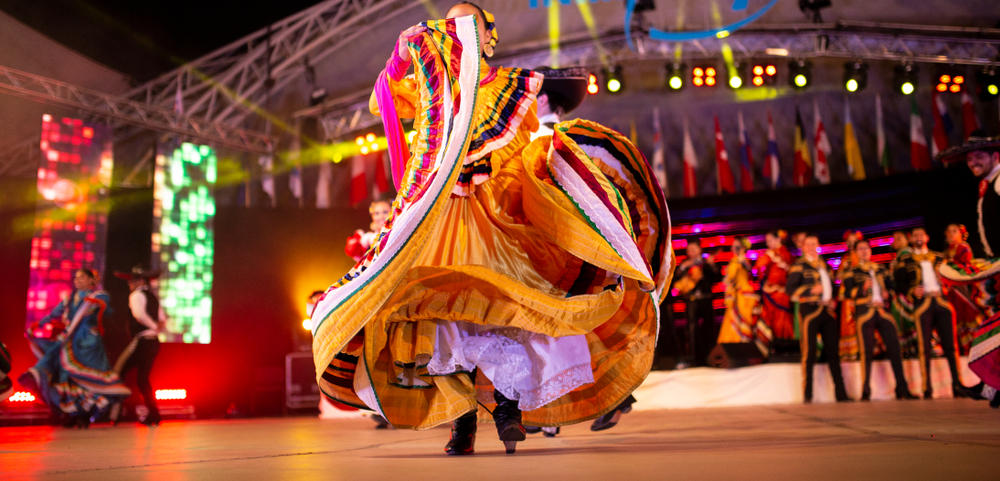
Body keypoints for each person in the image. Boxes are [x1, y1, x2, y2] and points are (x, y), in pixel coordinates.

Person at [309, 2, 671, 456]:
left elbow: (518, 151)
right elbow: (380, 96)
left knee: (506, 313)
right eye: (451, 24)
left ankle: (506, 411)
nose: (459, 32)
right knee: (442, 322)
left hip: (493, 221)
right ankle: (463, 425)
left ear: (488, 35)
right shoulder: (431, 84)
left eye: (470, 25)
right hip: (436, 225)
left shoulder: (514, 85)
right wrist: (401, 54)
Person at [19, 268, 130, 428]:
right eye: (76, 278)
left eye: (82, 278)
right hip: (70, 342)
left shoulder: (98, 296)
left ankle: (85, 416)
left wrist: (96, 308)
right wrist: (38, 324)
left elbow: (106, 309)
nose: (77, 281)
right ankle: (73, 414)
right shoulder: (70, 299)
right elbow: (54, 313)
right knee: (68, 377)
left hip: (88, 345)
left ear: (92, 280)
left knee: (85, 380)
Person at [936, 130, 1000, 407]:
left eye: (979, 157)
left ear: (995, 156)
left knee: (994, 330)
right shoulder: (990, 183)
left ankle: (991, 389)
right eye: (970, 158)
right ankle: (992, 389)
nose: (973, 162)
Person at [894, 227, 978, 399]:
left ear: (927, 237)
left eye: (921, 235)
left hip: (942, 301)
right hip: (923, 303)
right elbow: (899, 283)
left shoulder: (940, 257)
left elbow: (952, 275)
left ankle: (957, 384)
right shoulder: (906, 260)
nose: (919, 237)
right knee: (924, 347)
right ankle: (927, 387)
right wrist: (912, 290)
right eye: (915, 235)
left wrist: (946, 284)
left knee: (950, 345)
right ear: (911, 240)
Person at [842, 239, 918, 401]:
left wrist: (888, 294)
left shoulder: (881, 270)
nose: (864, 251)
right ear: (855, 252)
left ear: (870, 251)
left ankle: (902, 389)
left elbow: (893, 289)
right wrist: (862, 288)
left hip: (884, 312)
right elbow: (847, 293)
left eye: (866, 249)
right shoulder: (852, 271)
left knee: (895, 349)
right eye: (860, 249)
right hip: (865, 312)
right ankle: (866, 391)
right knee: (866, 352)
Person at [786, 234, 850, 403]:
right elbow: (790, 289)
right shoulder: (799, 265)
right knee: (809, 353)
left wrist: (834, 300)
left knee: (833, 353)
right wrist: (810, 291)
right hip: (810, 310)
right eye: (808, 244)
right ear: (803, 247)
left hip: (827, 311)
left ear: (818, 245)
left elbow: (834, 287)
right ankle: (808, 395)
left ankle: (841, 394)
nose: (811, 247)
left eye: (813, 244)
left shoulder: (825, 265)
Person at [111, 267, 166, 426]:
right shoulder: (152, 296)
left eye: (133, 280)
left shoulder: (136, 295)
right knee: (142, 379)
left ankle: (116, 413)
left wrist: (152, 326)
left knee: (118, 372)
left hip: (143, 341)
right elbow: (163, 318)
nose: (129, 283)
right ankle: (154, 414)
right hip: (153, 342)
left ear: (141, 281)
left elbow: (139, 315)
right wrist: (156, 327)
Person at [718, 237, 771, 354]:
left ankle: (745, 349)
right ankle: (735, 350)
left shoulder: (741, 260)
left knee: (744, 321)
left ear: (742, 248)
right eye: (733, 246)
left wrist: (740, 259)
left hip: (744, 296)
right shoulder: (736, 260)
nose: (733, 248)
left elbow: (746, 270)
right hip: (739, 294)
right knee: (735, 320)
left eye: (736, 246)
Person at [672, 240, 720, 367]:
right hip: (692, 301)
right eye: (688, 250)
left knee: (709, 329)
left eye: (693, 249)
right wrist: (683, 267)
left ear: (700, 249)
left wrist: (712, 265)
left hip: (706, 300)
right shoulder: (685, 264)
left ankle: (710, 357)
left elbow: (717, 277)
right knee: (692, 330)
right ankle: (693, 358)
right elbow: (675, 280)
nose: (691, 252)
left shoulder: (706, 263)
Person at [942, 224, 985, 355]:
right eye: (948, 231)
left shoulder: (962, 247)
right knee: (958, 318)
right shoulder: (947, 252)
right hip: (952, 289)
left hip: (963, 286)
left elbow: (966, 263)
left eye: (954, 231)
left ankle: (979, 346)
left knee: (969, 313)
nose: (951, 234)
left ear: (961, 234)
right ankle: (966, 348)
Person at [755, 230, 794, 340]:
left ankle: (782, 345)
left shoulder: (779, 254)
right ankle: (783, 344)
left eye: (770, 240)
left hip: (779, 293)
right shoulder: (783, 254)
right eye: (767, 241)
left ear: (778, 239)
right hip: (779, 293)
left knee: (778, 320)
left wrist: (764, 280)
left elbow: (758, 266)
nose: (768, 244)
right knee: (781, 320)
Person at [836, 231, 864, 361]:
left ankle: (863, 349)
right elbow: (838, 277)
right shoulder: (844, 258)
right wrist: (844, 270)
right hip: (847, 296)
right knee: (848, 322)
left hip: (861, 294)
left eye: (854, 241)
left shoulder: (862, 256)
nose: (851, 244)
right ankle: (850, 352)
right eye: (849, 241)